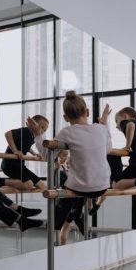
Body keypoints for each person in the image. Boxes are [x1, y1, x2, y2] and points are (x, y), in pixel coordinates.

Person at [29, 91, 112, 245]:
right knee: (74, 193)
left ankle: (55, 228)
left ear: (65, 117)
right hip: (103, 186)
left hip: (81, 187)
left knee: (65, 196)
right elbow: (107, 149)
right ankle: (77, 216)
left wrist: (37, 135)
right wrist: (105, 122)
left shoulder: (67, 132)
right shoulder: (101, 129)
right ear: (87, 112)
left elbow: (47, 155)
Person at [89, 107, 136, 216]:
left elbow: (130, 126)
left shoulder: (127, 122)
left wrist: (127, 146)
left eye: (117, 121)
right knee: (126, 182)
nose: (117, 125)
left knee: (115, 184)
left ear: (124, 116)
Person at [1, 115, 49, 191]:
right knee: (29, 184)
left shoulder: (33, 137)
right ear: (32, 124)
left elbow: (26, 146)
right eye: (41, 127)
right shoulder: (25, 131)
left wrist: (34, 153)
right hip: (9, 165)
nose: (42, 131)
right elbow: (7, 134)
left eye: (45, 130)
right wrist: (15, 151)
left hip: (20, 166)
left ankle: (18, 185)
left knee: (42, 185)